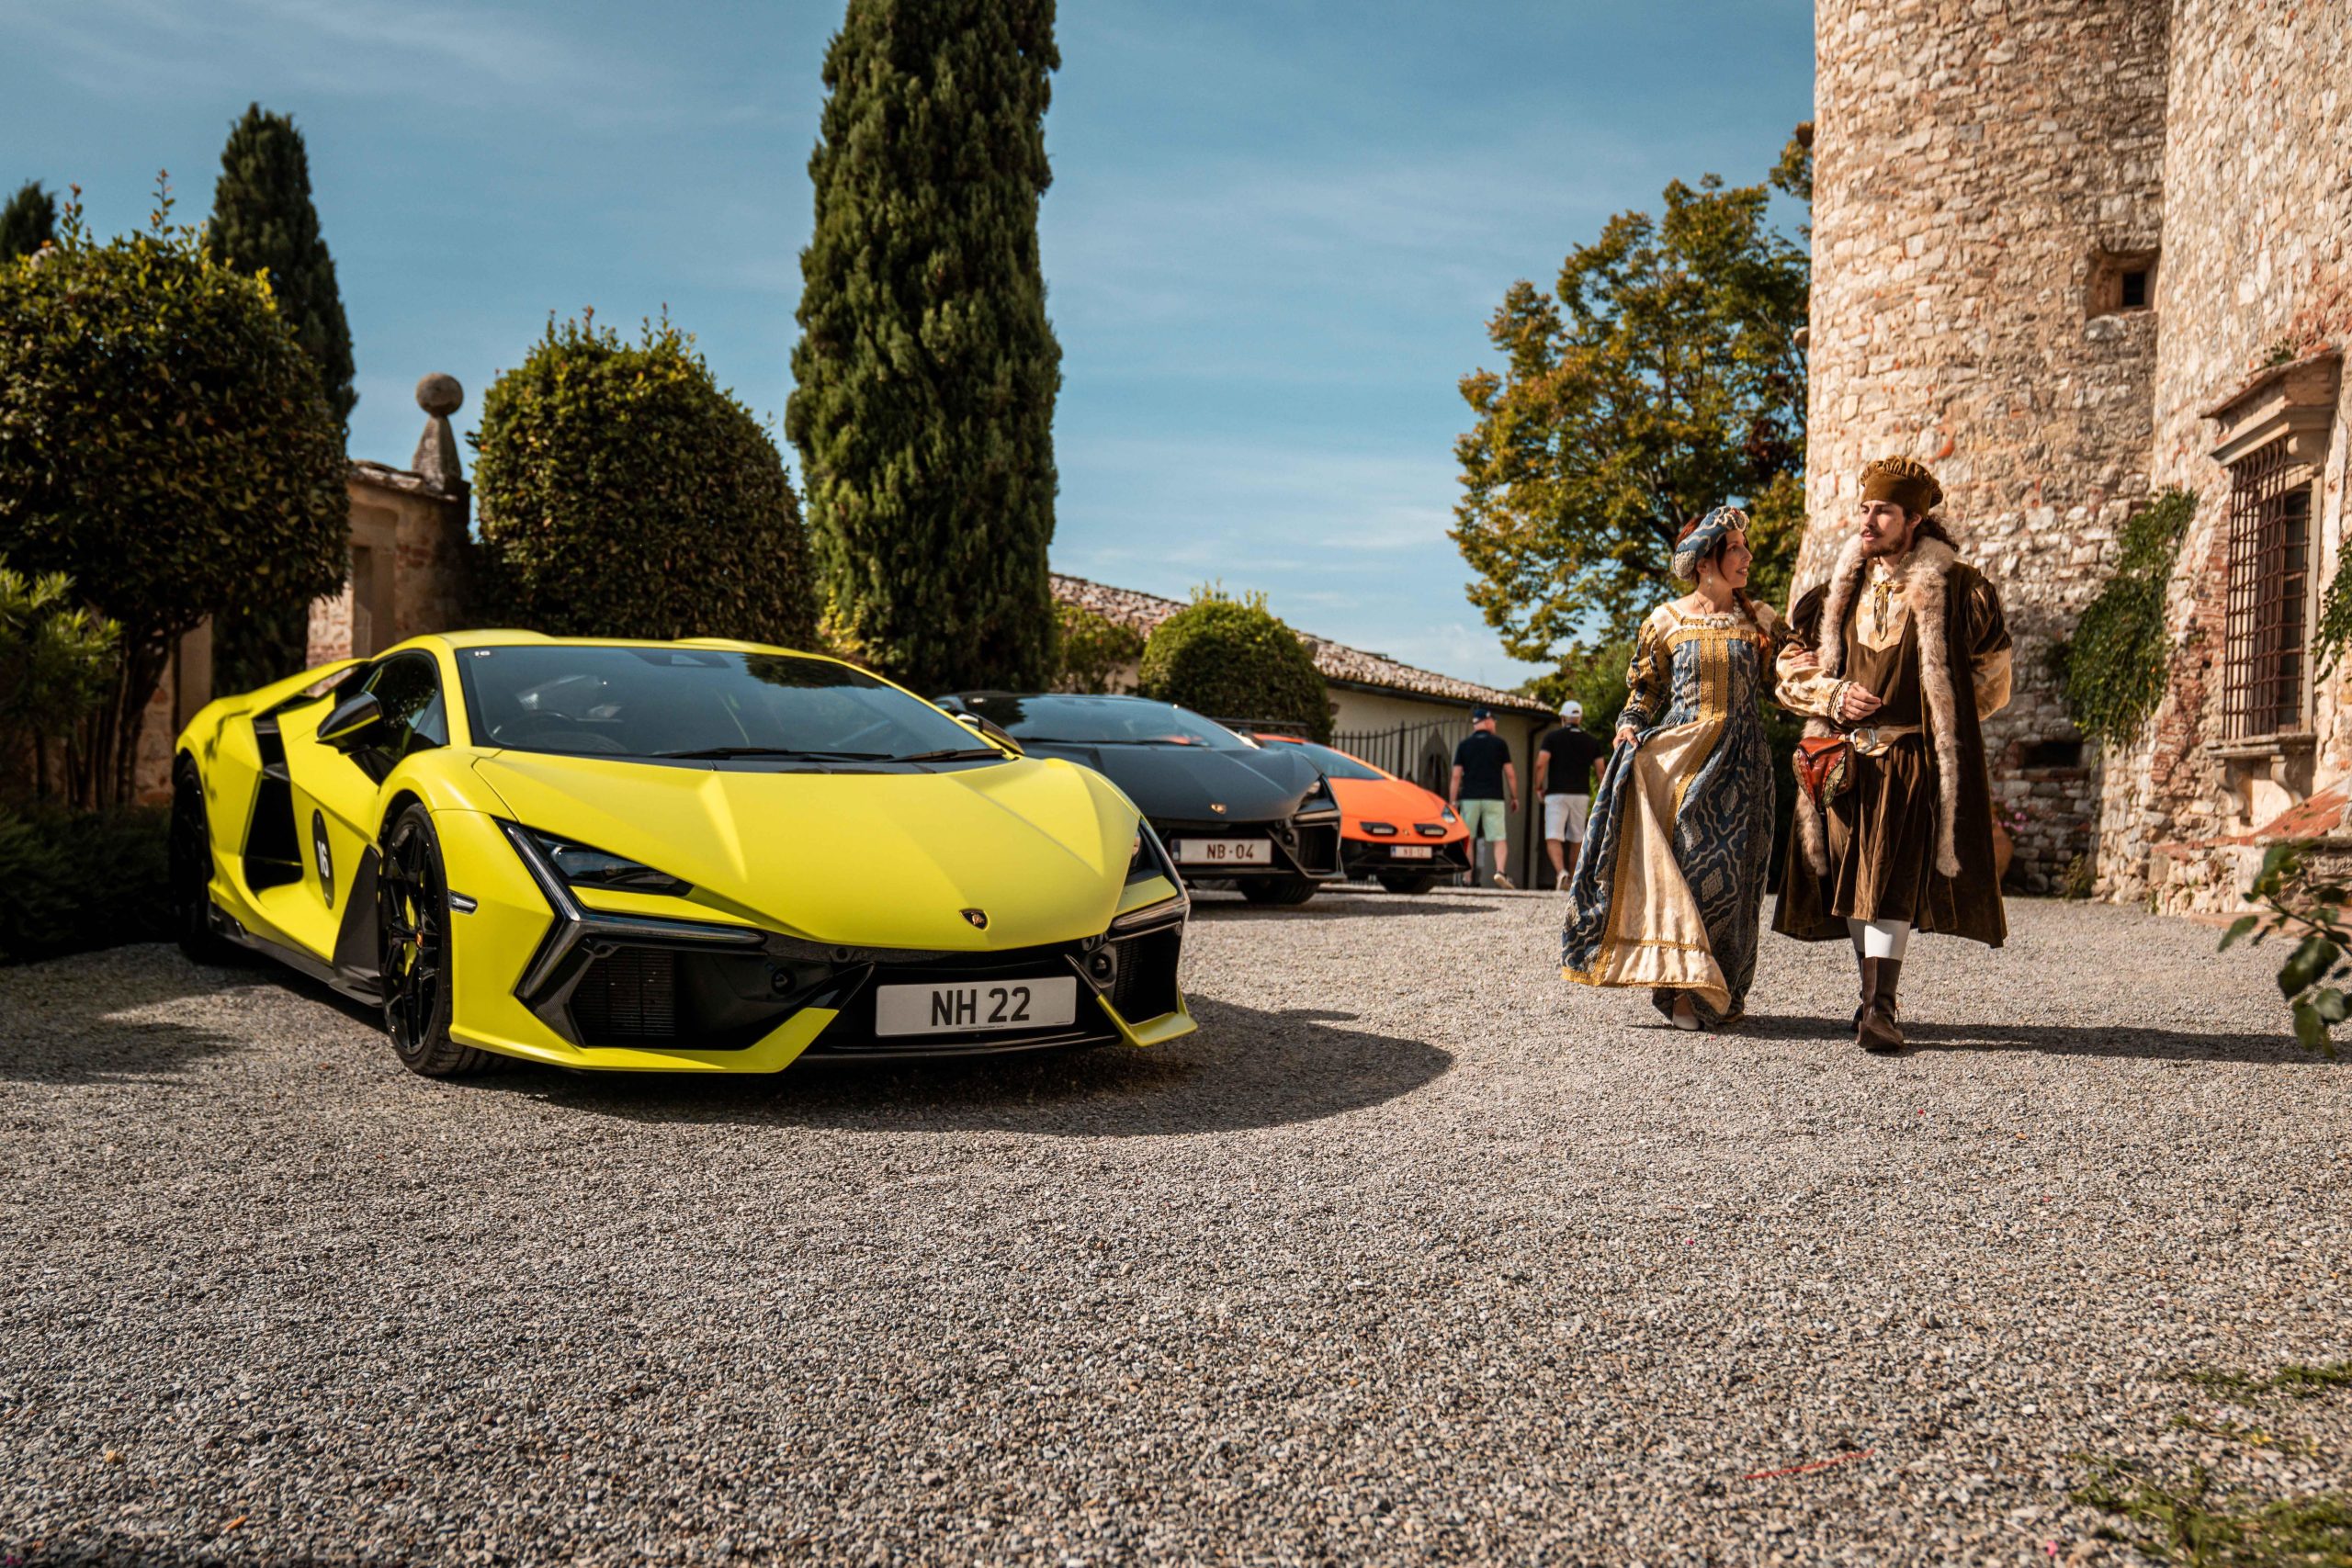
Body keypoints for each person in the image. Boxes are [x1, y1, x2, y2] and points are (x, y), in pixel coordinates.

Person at [1772, 457, 2013, 1053]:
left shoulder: (1960, 590)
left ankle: (1881, 1008)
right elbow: (1787, 672)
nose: (1868, 520)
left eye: (1882, 511)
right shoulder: (1835, 595)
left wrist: (1943, 712)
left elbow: (1994, 676)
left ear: (1914, 519)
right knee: (1856, 881)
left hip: (1909, 758)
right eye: (1864, 508)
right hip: (1842, 760)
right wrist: (1832, 694)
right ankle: (1871, 998)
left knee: (1887, 880)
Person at [1562, 507, 1780, 1031]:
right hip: (1684, 765)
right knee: (1695, 870)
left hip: (1747, 766)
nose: (1747, 556)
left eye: (1745, 547)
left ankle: (1721, 990)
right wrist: (1629, 725)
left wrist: (1825, 686)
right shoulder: (1666, 621)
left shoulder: (1762, 619)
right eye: (1735, 548)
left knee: (1740, 882)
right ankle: (1681, 992)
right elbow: (1645, 690)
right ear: (1705, 562)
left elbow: (1783, 683)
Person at [1534, 701, 1608, 891]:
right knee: (1577, 837)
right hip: (1581, 795)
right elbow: (1601, 770)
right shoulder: (1591, 741)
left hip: (1556, 793)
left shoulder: (1551, 738)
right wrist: (1605, 794)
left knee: (1553, 835)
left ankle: (1561, 873)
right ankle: (1574, 879)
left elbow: (1541, 763)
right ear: (1579, 718)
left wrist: (1538, 786)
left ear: (1562, 718)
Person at [1449, 706, 1519, 890]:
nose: (1495, 724)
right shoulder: (1500, 744)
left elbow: (1456, 776)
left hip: (1470, 798)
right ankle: (1500, 871)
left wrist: (1452, 801)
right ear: (1487, 722)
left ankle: (1467, 877)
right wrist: (1514, 797)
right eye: (1493, 721)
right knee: (1499, 837)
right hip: (1494, 798)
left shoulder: (1464, 745)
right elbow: (1510, 773)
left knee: (1468, 838)